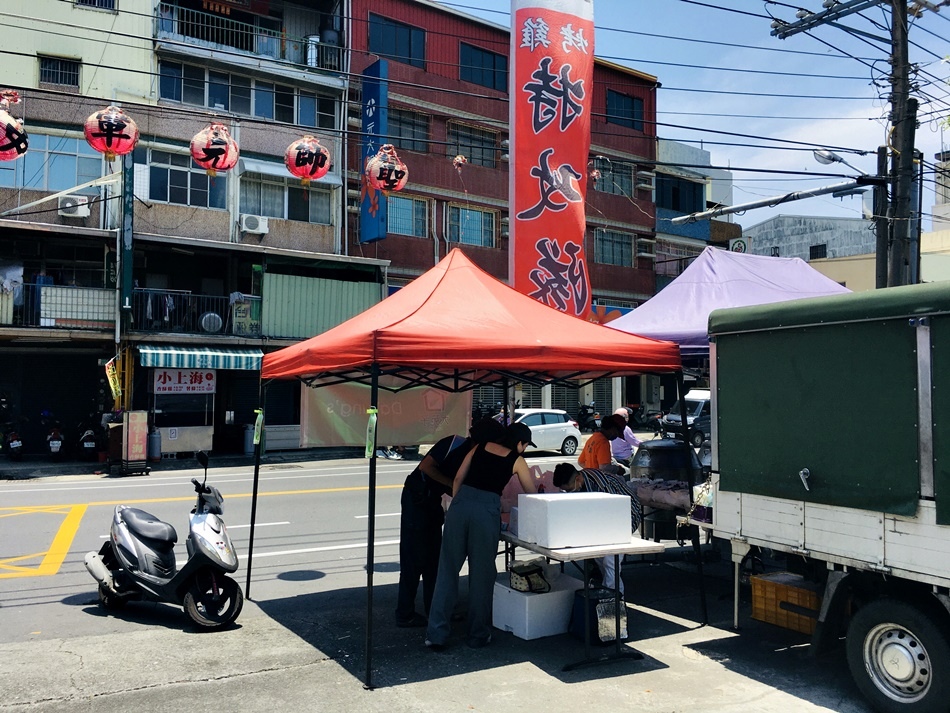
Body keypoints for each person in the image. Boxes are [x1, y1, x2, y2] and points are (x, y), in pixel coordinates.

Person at [424, 421, 538, 651]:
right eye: (525, 445)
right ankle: (477, 634)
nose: (525, 449)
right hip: (486, 512)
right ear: (519, 443)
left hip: (460, 505)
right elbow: (532, 494)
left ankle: (436, 634)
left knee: (447, 571)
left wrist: (459, 505)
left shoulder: (480, 446)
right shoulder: (517, 460)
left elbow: (458, 479)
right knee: (481, 575)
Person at [395, 417, 504, 628]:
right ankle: (404, 613)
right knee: (413, 557)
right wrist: (453, 485)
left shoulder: (477, 456)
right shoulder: (454, 443)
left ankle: (434, 608)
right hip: (416, 498)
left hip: (433, 502)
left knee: (434, 559)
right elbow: (426, 466)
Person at [552, 462, 643, 595]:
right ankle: (609, 591)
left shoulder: (601, 484)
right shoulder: (581, 482)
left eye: (569, 489)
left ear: (577, 479)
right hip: (602, 521)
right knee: (600, 557)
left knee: (610, 559)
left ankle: (614, 596)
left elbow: (615, 511)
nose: (568, 492)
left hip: (627, 515)